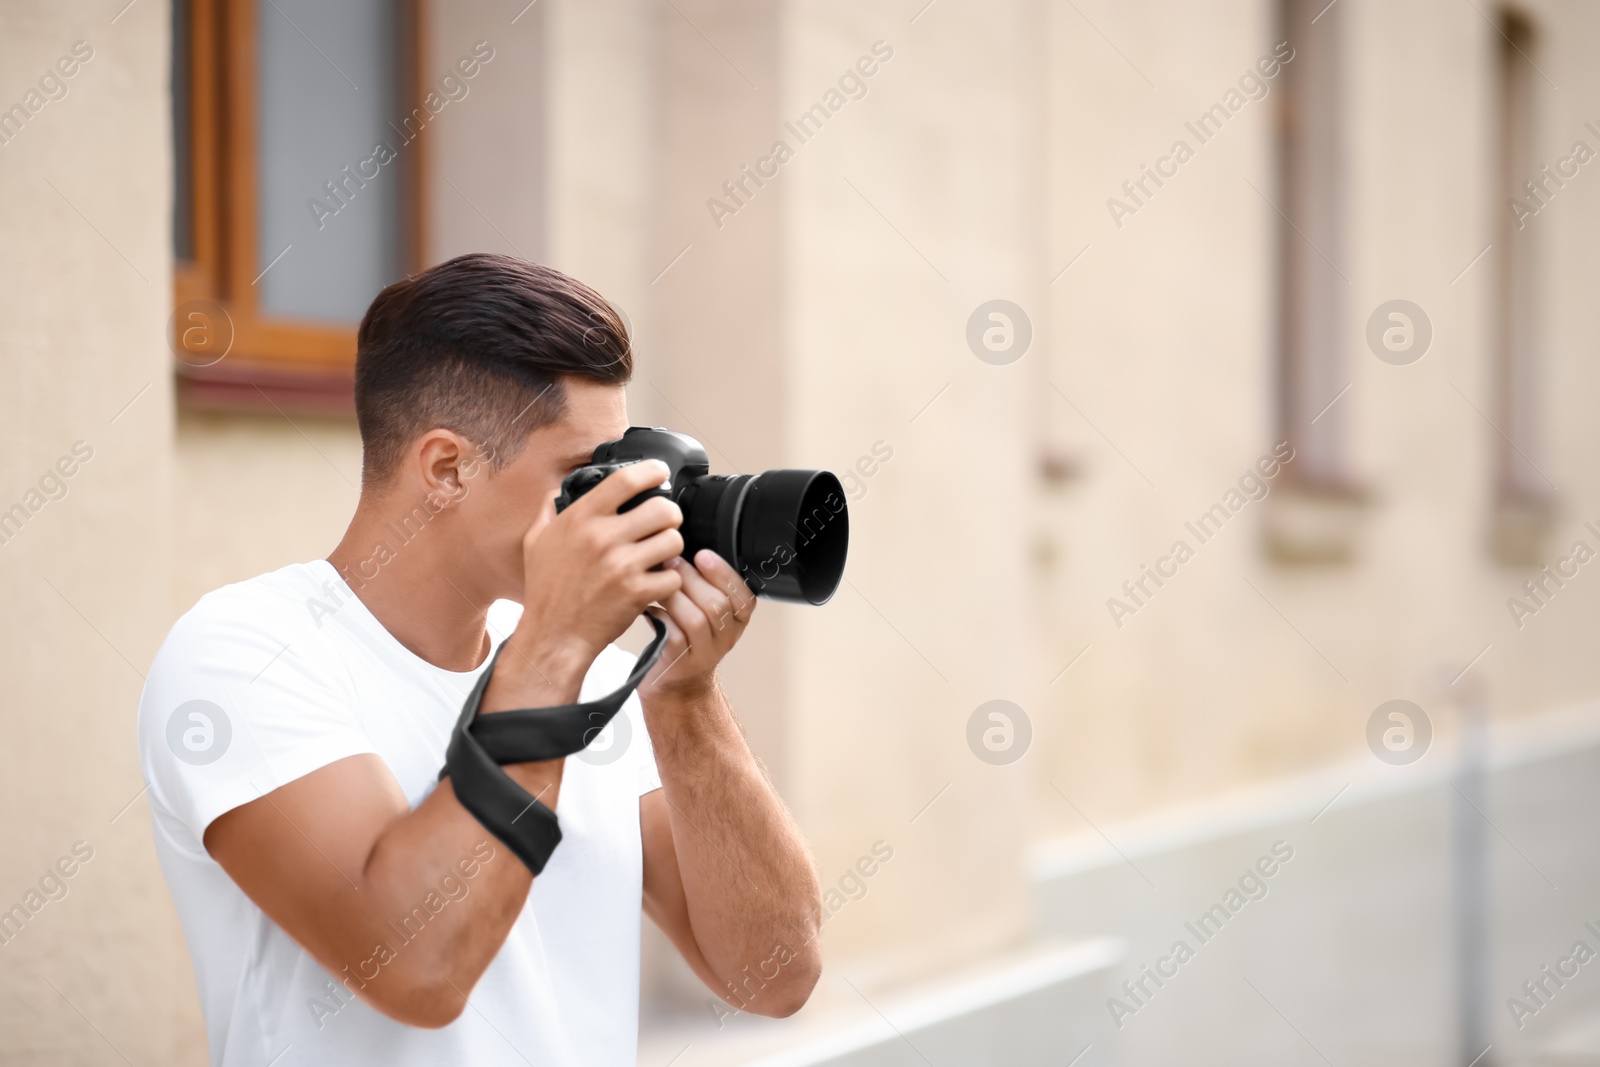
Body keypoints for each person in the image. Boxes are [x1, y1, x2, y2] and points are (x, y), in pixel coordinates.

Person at [136, 253, 822, 1066]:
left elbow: (774, 975)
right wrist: (557, 644)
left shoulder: (596, 677)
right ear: (447, 468)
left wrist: (684, 697)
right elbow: (417, 969)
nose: (626, 509)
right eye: (586, 475)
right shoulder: (244, 654)